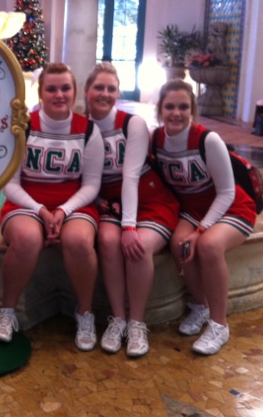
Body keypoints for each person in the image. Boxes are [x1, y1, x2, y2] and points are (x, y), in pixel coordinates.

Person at [0, 62, 104, 350]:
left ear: (75, 91)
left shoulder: (89, 131)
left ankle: (85, 313)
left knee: (79, 241)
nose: (59, 95)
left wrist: (63, 210)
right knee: (27, 238)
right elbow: (9, 184)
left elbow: (92, 185)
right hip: (26, 202)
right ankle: (7, 311)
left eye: (65, 88)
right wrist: (40, 210)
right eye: (51, 89)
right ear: (40, 93)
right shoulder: (22, 127)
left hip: (74, 205)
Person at [151, 79, 257, 355]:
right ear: (160, 109)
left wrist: (201, 231)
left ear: (192, 110)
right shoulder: (156, 140)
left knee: (209, 245)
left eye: (183, 107)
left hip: (231, 206)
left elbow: (227, 192)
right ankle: (200, 306)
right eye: (170, 106)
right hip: (193, 209)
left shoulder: (207, 140)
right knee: (178, 244)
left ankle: (219, 324)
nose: (176, 113)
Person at [85, 63, 179, 357]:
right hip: (112, 203)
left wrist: (129, 227)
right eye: (99, 87)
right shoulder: (81, 127)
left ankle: (137, 323)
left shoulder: (132, 124)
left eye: (111, 88)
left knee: (138, 246)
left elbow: (131, 177)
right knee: (107, 241)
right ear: (87, 91)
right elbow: (82, 177)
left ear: (118, 93)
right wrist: (98, 202)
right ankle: (118, 319)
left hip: (149, 199)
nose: (105, 93)